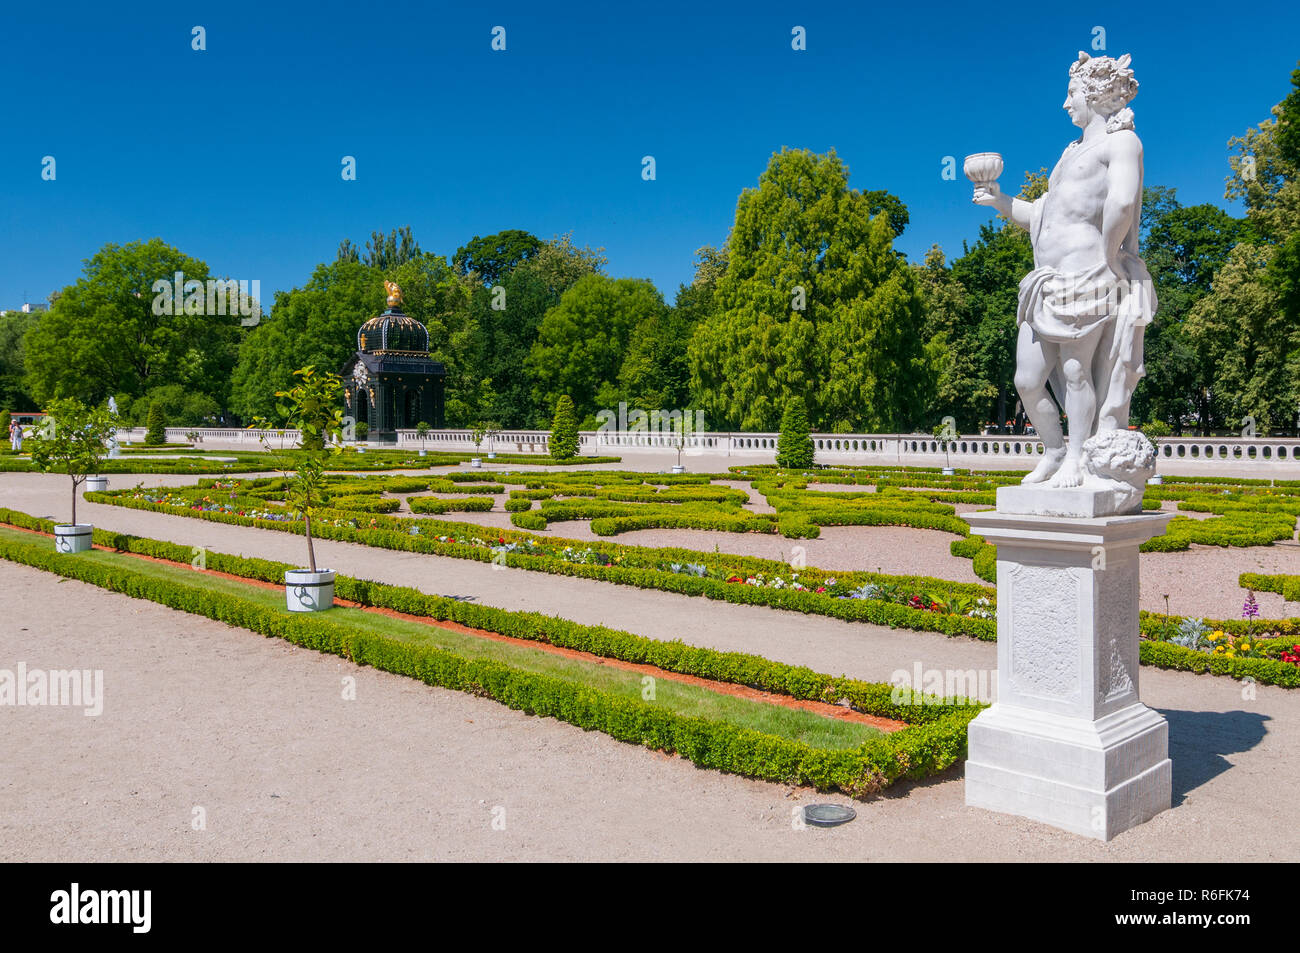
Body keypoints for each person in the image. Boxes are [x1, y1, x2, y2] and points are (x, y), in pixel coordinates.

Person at [973, 52, 1156, 487]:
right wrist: (1000, 201)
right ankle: (1054, 451)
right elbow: (1044, 214)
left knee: (1077, 373)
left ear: (1094, 93)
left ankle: (1078, 458)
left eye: (1071, 93)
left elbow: (1124, 203)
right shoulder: (1070, 151)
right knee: (1027, 379)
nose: (1065, 103)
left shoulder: (1121, 142)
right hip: (1045, 283)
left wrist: (1110, 256)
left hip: (1088, 278)